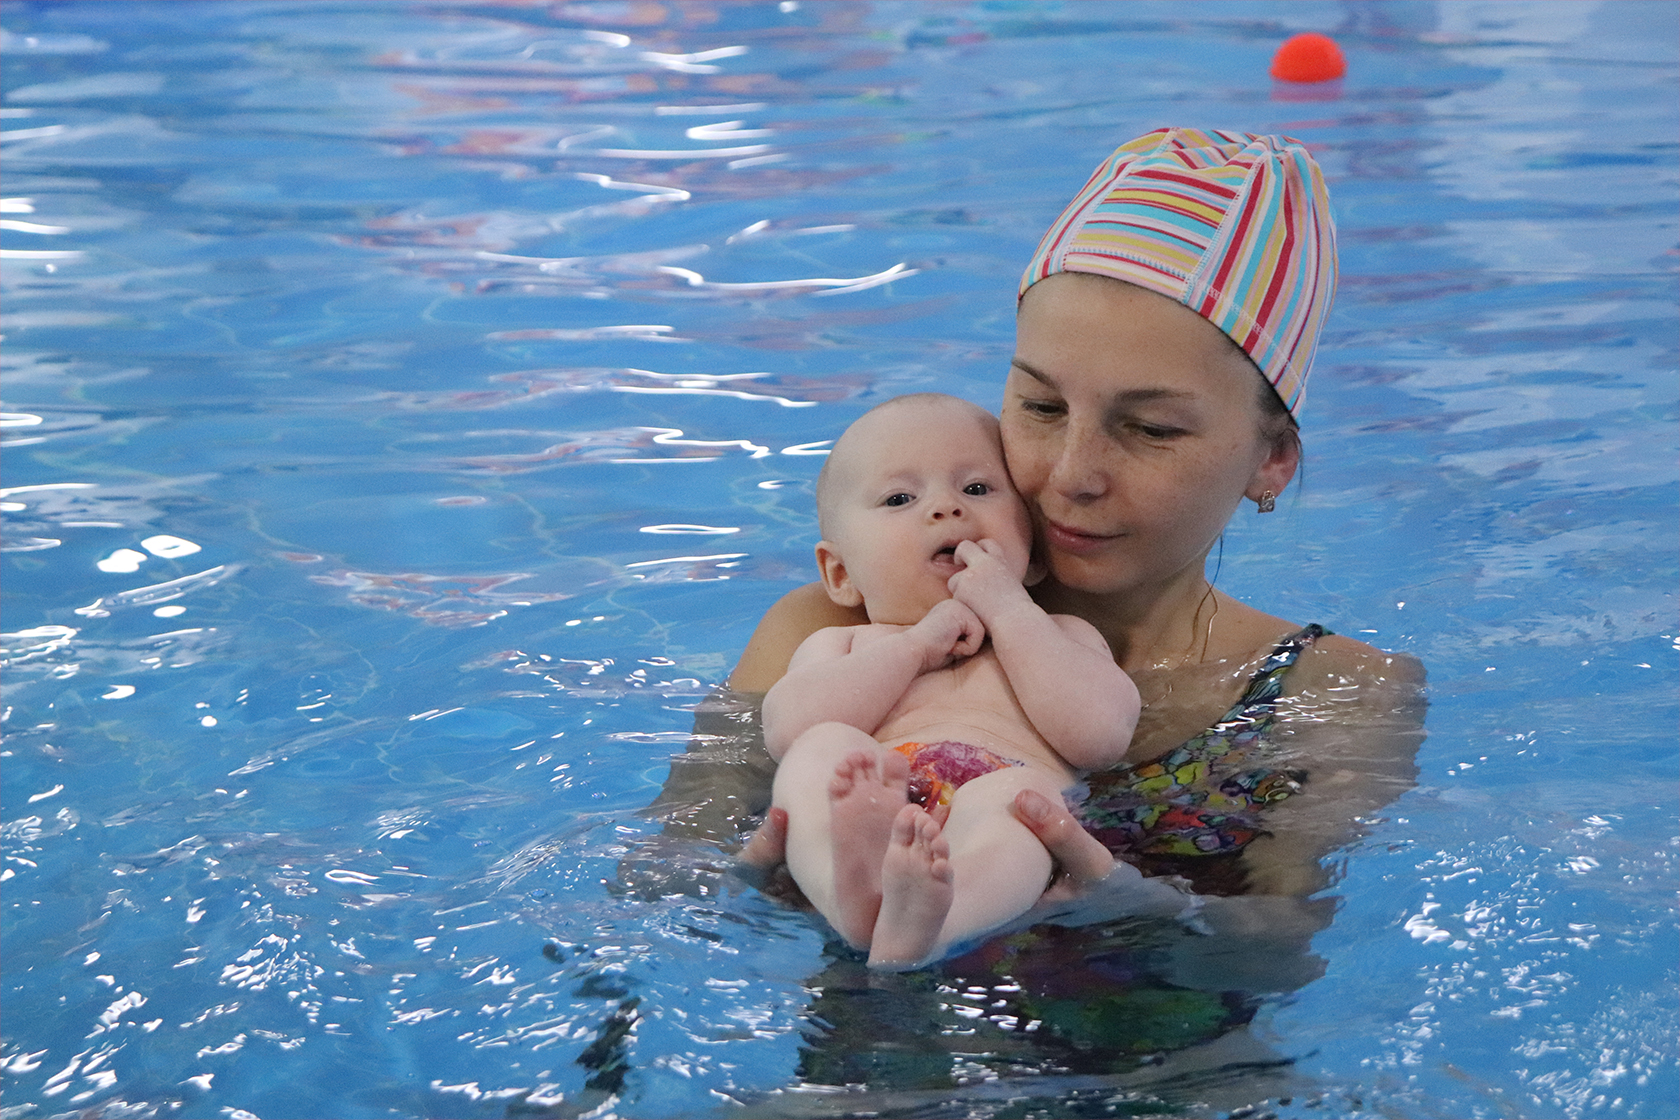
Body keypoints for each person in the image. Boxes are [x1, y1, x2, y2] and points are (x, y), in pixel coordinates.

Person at [734, 127, 1425, 903]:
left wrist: (1136, 912)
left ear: (1272, 460)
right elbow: (652, 890)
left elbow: (1277, 954)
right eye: (1039, 405)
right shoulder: (833, 630)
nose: (1070, 476)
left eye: (1151, 428)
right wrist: (743, 885)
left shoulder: (1328, 695)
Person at [762, 393, 1143, 968]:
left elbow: (1101, 736)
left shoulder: (1059, 634)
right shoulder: (846, 644)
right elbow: (789, 730)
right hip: (877, 789)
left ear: (1034, 556)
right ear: (841, 575)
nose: (945, 508)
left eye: (977, 489)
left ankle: (931, 921)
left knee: (1021, 804)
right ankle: (858, 896)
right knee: (821, 751)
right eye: (899, 498)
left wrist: (1008, 608)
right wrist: (916, 646)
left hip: (1000, 792)